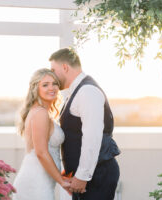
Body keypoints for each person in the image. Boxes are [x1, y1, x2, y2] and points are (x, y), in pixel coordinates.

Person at [49, 48, 120, 200]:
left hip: (97, 175)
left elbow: (92, 137)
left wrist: (82, 176)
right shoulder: (75, 91)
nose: (52, 76)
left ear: (65, 67)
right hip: (87, 175)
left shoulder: (87, 91)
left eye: (53, 70)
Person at [12, 68, 70, 200]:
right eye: (45, 85)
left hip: (40, 181)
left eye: (54, 83)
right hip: (35, 183)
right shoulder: (40, 113)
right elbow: (41, 153)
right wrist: (62, 182)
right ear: (35, 88)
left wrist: (59, 174)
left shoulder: (40, 112)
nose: (52, 87)